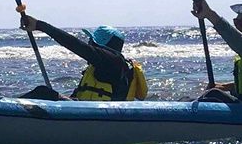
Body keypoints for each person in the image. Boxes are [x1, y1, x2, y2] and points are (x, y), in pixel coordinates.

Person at [17, 10, 147, 101]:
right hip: (89, 109)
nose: (89, 43)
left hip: (100, 116)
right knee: (47, 94)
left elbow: (75, 45)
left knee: (43, 92)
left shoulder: (112, 61)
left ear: (100, 44)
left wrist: (40, 25)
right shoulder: (104, 65)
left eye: (91, 41)